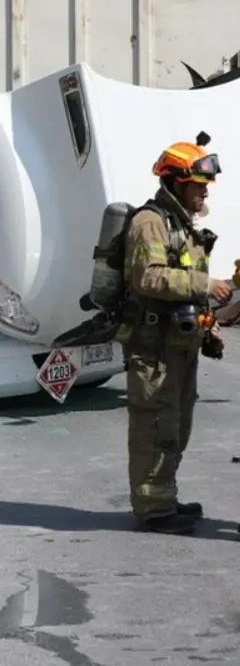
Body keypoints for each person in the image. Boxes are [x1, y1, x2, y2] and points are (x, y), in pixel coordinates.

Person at [119, 137, 232, 535]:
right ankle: (153, 510)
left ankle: (164, 497)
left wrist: (209, 325)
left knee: (177, 426)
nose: (204, 192)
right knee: (155, 427)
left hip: (180, 346)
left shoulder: (182, 226)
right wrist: (206, 283)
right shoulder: (149, 222)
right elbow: (147, 277)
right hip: (154, 349)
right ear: (176, 183)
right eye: (198, 185)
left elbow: (184, 293)